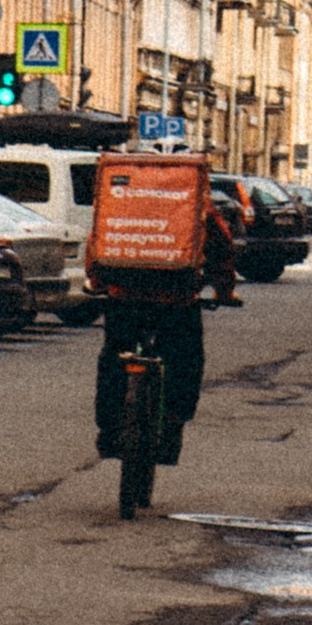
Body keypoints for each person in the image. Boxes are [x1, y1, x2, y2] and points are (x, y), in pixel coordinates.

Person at [92, 174, 239, 467]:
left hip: (125, 298)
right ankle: (172, 427)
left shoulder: (122, 203)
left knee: (114, 356)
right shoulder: (199, 206)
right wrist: (224, 290)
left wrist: (97, 282)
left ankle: (110, 431)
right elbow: (222, 248)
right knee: (186, 360)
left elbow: (98, 241)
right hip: (176, 301)